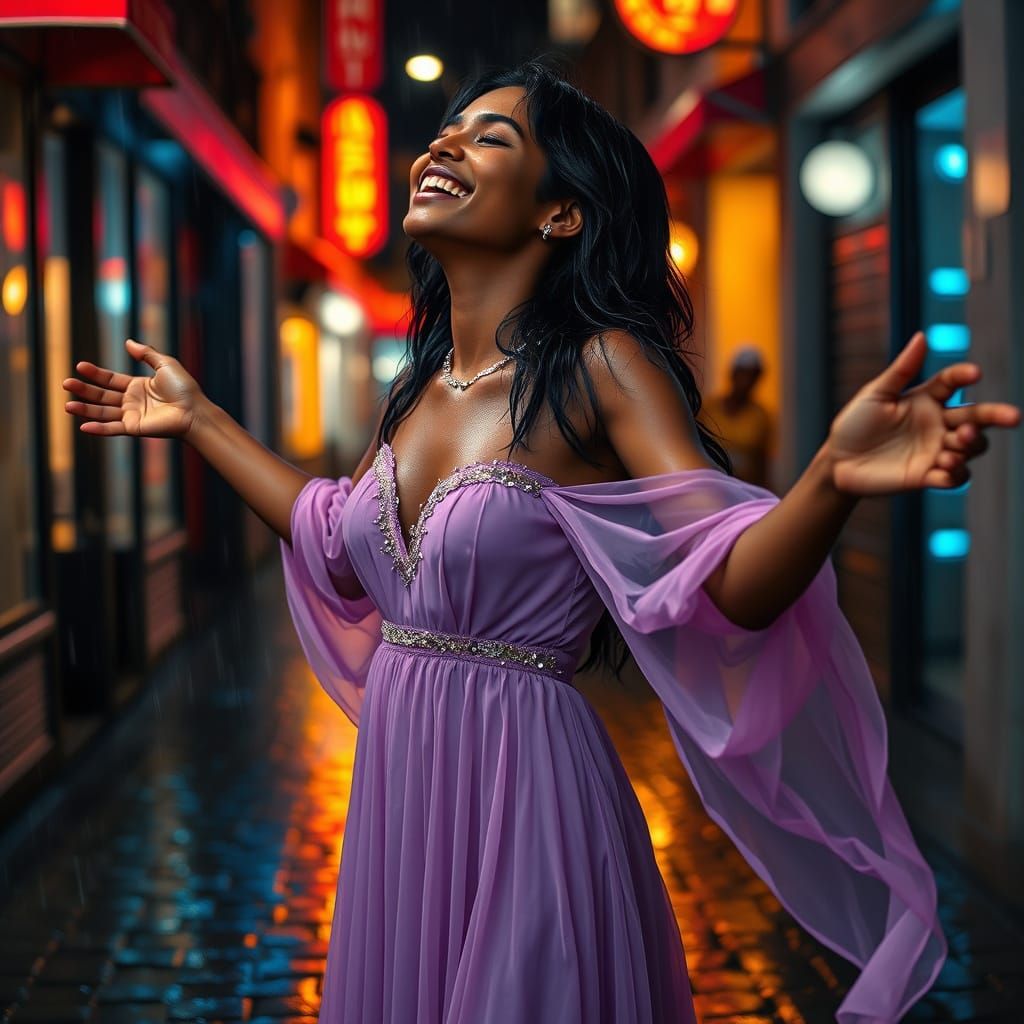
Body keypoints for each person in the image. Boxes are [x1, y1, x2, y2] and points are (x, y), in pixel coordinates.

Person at [63, 60, 1020, 1024]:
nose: (442, 146)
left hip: (529, 792)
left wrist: (829, 479)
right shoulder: (419, 389)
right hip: (404, 803)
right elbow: (336, 540)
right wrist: (201, 422)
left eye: (489, 137)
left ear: (559, 213)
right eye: (447, 131)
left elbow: (730, 582)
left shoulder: (602, 364)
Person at [702, 345, 775, 489]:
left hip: (745, 488)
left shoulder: (760, 416)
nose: (746, 381)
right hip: (712, 486)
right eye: (742, 374)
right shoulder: (709, 409)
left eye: (752, 376)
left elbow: (763, 461)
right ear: (733, 374)